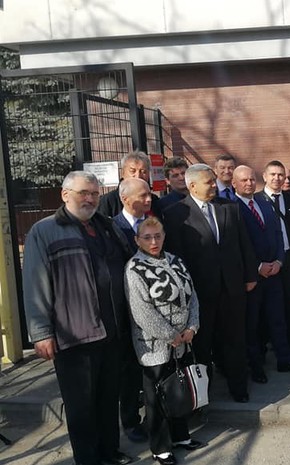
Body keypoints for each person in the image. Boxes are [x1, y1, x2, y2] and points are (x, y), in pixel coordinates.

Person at [23, 171, 134, 465]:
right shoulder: (44, 231)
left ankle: (109, 452)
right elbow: (35, 284)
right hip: (74, 334)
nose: (91, 199)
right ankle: (88, 459)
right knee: (81, 405)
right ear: (65, 194)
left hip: (112, 330)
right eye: (84, 193)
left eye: (95, 194)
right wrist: (41, 332)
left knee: (108, 398)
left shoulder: (107, 226)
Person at [163, 164, 257, 403]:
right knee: (203, 345)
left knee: (235, 339)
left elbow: (244, 243)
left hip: (232, 287)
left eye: (214, 181)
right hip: (200, 292)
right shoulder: (176, 214)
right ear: (192, 185)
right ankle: (203, 396)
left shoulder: (229, 208)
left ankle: (239, 388)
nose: (215, 185)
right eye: (209, 182)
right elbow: (177, 256)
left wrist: (250, 276)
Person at [124, 217, 205, 465]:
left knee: (178, 391)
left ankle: (181, 437)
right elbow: (142, 312)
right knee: (156, 398)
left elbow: (192, 296)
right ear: (137, 240)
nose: (154, 241)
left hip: (182, 341)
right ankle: (160, 448)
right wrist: (170, 335)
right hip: (154, 345)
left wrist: (192, 327)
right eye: (147, 237)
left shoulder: (175, 260)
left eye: (158, 236)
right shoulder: (134, 268)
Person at [232, 166, 290, 382]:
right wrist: (258, 267)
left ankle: (285, 359)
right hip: (253, 277)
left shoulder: (264, 204)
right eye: (244, 180)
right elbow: (239, 244)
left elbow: (278, 234)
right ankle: (256, 366)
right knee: (254, 324)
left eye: (251, 179)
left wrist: (278, 260)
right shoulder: (231, 208)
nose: (249, 183)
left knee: (278, 318)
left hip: (275, 271)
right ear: (234, 183)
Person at [112, 177, 154, 443]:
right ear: (125, 199)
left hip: (154, 306)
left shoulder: (153, 225)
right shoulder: (113, 228)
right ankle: (130, 420)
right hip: (127, 308)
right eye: (143, 196)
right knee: (129, 369)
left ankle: (155, 414)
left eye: (149, 194)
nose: (149, 199)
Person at [259, 160, 290, 348]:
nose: (277, 178)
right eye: (273, 174)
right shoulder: (257, 200)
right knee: (272, 302)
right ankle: (273, 339)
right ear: (264, 176)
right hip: (269, 259)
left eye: (281, 175)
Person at [98, 150, 162, 218]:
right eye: (132, 171)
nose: (138, 176)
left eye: (143, 172)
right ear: (123, 173)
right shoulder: (108, 201)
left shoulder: (154, 201)